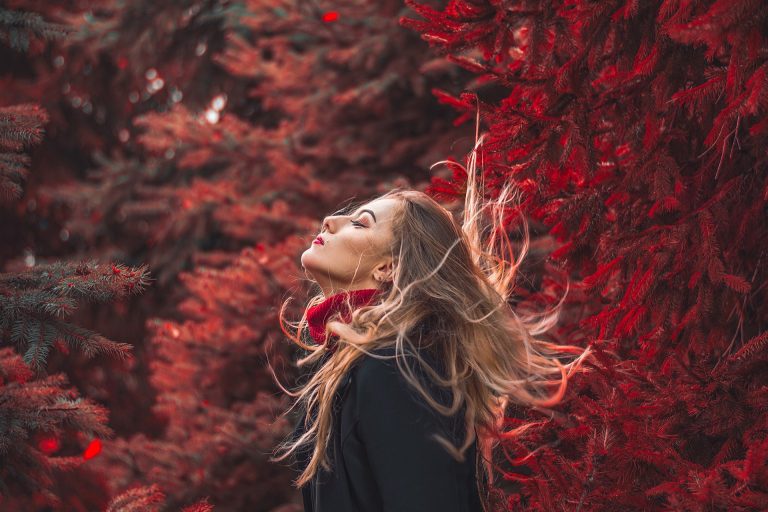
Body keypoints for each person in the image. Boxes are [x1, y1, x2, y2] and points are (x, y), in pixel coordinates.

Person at [270, 133, 594, 511]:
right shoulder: (354, 366)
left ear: (387, 268)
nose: (330, 221)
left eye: (360, 224)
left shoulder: (398, 367)